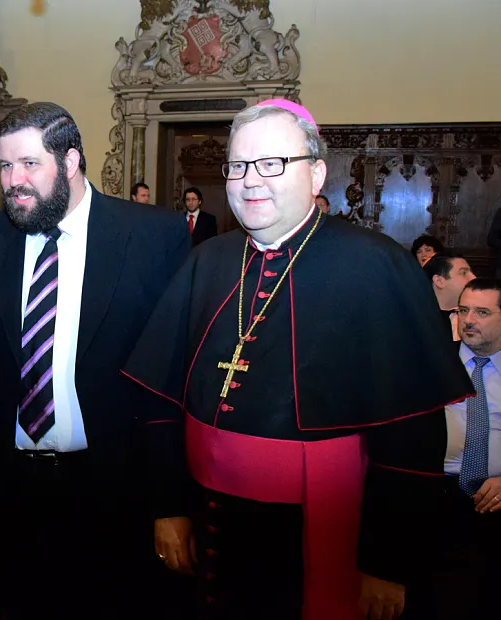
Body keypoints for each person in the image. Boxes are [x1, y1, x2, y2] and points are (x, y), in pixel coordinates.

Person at [123, 99, 473, 620]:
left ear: (315, 174)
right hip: (207, 511)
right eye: (238, 166)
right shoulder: (207, 261)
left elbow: (411, 434)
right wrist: (168, 505)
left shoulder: (376, 266)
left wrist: (387, 560)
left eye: (271, 164)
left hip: (323, 522)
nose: (250, 181)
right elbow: (160, 398)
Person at [0, 102, 189, 619]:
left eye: (29, 165)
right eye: (6, 166)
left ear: (71, 162)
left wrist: (171, 499)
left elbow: (172, 376)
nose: (13, 181)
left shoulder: (152, 238)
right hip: (7, 483)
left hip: (111, 485)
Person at [409, 278, 501, 620]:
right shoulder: (429, 362)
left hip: (495, 502)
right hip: (434, 496)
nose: (469, 320)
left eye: (482, 312)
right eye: (463, 310)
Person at [422, 250, 476, 341]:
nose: (474, 278)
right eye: (463, 273)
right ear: (439, 281)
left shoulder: (479, 317)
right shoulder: (418, 319)